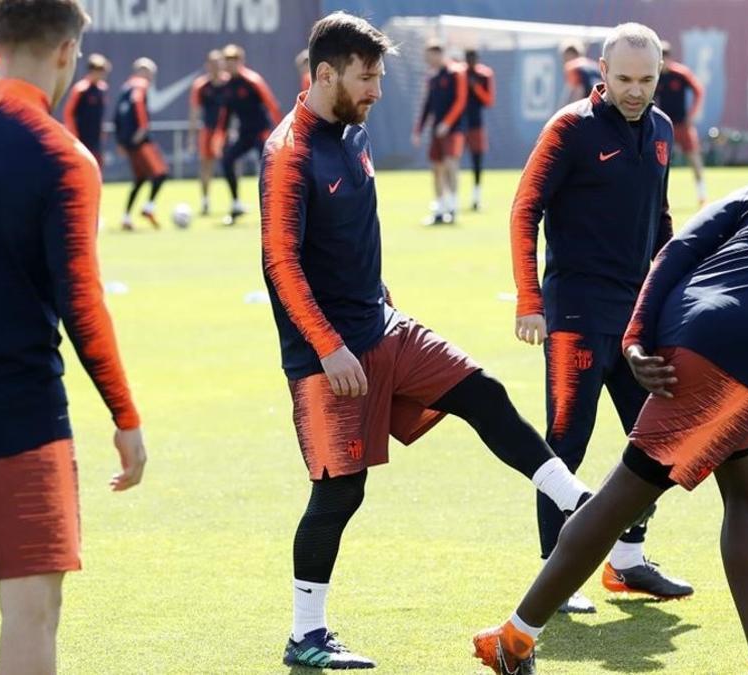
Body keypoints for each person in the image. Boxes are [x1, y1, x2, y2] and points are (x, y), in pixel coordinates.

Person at [476, 136, 748, 675]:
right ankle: (513, 640)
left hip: (688, 329)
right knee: (620, 498)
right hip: (739, 369)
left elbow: (676, 252)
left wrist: (636, 339)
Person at [261, 13, 594, 669]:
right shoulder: (289, 151)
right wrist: (329, 346)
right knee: (339, 492)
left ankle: (576, 502)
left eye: (380, 75)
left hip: (386, 326)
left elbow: (352, 240)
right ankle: (306, 634)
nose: (378, 90)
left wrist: (380, 300)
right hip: (328, 355)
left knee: (483, 392)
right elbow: (281, 263)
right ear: (324, 74)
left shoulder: (351, 134)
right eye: (368, 76)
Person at [0, 2, 148, 673]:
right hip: (19, 422)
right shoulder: (61, 157)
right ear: (65, 52)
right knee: (31, 613)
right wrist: (126, 416)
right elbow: (82, 304)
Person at [511, 22, 693, 615]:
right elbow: (524, 210)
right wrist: (529, 300)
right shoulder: (570, 128)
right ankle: (552, 576)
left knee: (658, 441)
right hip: (575, 316)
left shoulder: (662, 130)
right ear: (602, 73)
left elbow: (660, 221)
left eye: (646, 80)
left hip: (637, 319)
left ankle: (628, 562)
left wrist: (669, 298)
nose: (636, 91)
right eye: (624, 79)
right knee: (565, 445)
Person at [219, 44, 281, 225]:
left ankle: (276, 207)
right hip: (245, 134)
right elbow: (225, 115)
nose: (230, 64)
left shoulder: (252, 81)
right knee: (227, 160)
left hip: (262, 132)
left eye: (234, 60)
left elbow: (272, 105)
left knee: (269, 169)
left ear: (241, 61)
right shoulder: (228, 85)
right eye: (227, 61)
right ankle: (236, 204)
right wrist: (220, 137)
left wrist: (283, 131)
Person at [412, 41, 467, 225]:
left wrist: (447, 123)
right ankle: (439, 209)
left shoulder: (456, 73)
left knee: (451, 165)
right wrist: (418, 130)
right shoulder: (431, 77)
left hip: (454, 130)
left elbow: (460, 101)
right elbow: (427, 105)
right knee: (436, 168)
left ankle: (452, 208)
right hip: (436, 131)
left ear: (439, 54)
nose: (427, 60)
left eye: (430, 55)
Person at [114, 57, 168, 230]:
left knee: (140, 179)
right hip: (140, 140)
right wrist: (143, 128)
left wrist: (121, 141)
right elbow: (138, 104)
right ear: (142, 71)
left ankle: (126, 217)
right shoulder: (140, 86)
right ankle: (148, 208)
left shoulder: (125, 87)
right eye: (150, 73)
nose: (151, 77)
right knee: (161, 174)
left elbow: (116, 116)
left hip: (128, 142)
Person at [655, 41, 707, 205]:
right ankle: (659, 198)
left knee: (693, 157)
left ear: (669, 57)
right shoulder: (654, 76)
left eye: (664, 57)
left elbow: (699, 90)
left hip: (682, 124)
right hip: (663, 125)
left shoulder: (681, 73)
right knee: (658, 161)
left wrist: (693, 113)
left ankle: (702, 193)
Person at [189, 49, 228, 216]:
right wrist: (191, 137)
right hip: (208, 129)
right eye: (212, 63)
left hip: (225, 130)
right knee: (206, 165)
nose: (215, 67)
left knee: (231, 164)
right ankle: (205, 200)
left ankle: (234, 200)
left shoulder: (228, 83)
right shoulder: (201, 85)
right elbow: (194, 111)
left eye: (218, 63)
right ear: (207, 65)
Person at [62, 53, 110, 167]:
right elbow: (69, 113)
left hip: (95, 136)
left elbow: (100, 113)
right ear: (92, 71)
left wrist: (102, 129)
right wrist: (74, 134)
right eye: (100, 71)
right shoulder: (81, 89)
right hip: (81, 135)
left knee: (97, 164)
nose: (102, 75)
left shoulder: (102, 88)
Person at [463, 48, 494, 211]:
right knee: (451, 161)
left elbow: (489, 100)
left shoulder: (484, 75)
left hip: (476, 124)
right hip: (459, 124)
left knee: (477, 160)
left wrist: (476, 88)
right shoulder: (460, 74)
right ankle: (450, 200)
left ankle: (476, 196)